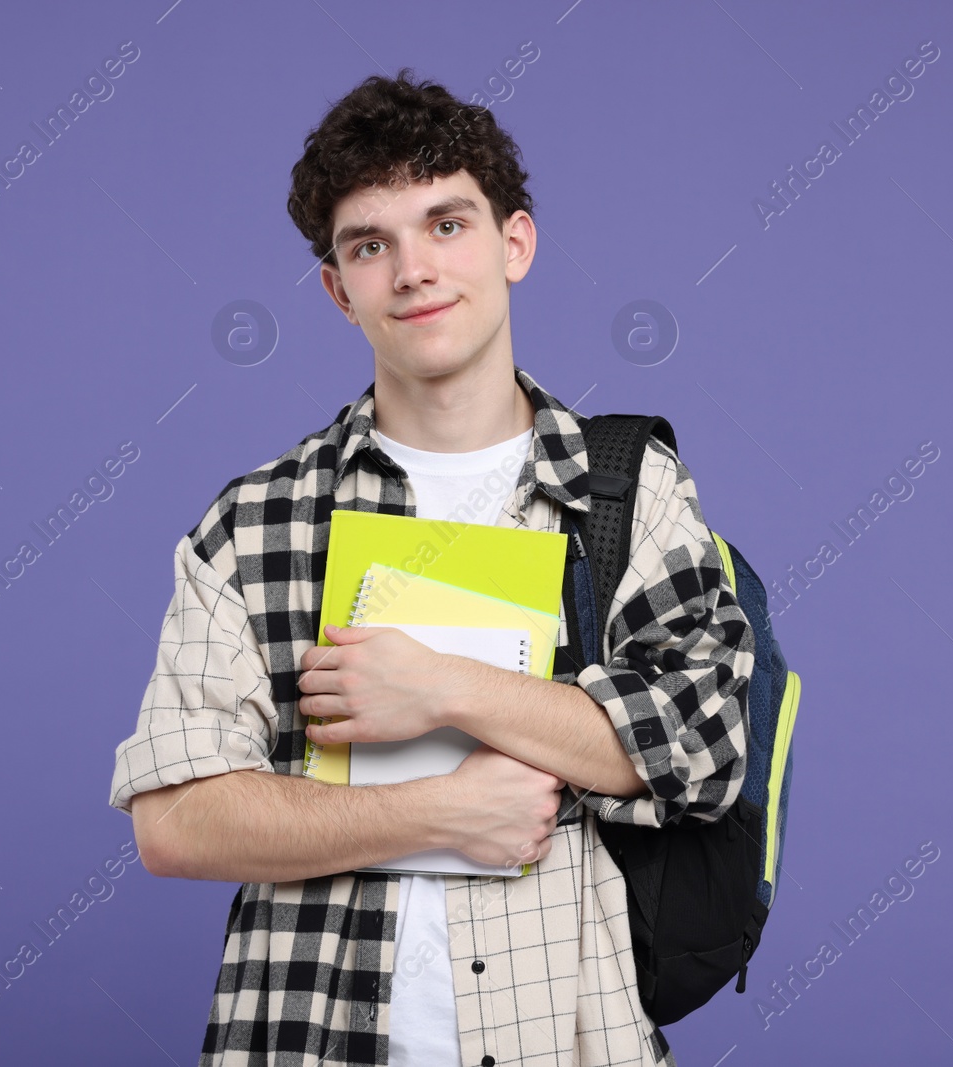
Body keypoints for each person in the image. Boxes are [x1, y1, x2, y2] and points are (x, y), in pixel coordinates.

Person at [108, 68, 753, 1067]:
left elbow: (702, 744)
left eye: (445, 224)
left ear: (514, 243)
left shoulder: (628, 491)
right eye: (371, 245)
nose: (413, 269)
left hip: (567, 1041)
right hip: (306, 1038)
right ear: (338, 288)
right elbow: (176, 819)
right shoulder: (256, 519)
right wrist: (437, 812)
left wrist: (439, 685)